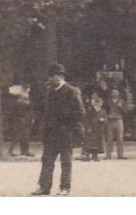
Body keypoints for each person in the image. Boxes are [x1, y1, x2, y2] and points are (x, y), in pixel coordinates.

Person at [31, 63, 84, 196]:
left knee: (66, 162)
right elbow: (45, 112)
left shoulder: (72, 91)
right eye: (50, 77)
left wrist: (67, 124)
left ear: (60, 77)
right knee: (47, 160)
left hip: (66, 133)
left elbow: (80, 112)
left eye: (53, 77)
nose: (50, 80)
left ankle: (65, 187)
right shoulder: (49, 92)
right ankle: (44, 187)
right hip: (50, 133)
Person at [6, 83, 34, 157]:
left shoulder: (23, 97)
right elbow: (25, 108)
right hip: (22, 119)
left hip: (24, 118)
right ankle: (23, 151)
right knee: (22, 135)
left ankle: (23, 151)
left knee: (21, 135)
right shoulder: (22, 98)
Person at [102, 85, 126, 159]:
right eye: (113, 92)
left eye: (116, 92)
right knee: (109, 138)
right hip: (110, 121)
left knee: (120, 138)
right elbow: (104, 111)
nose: (114, 94)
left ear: (118, 94)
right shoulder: (108, 102)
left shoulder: (122, 101)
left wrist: (121, 107)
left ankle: (120, 154)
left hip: (119, 120)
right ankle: (108, 154)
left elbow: (126, 111)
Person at [80, 92, 105, 161]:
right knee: (89, 142)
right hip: (91, 128)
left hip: (98, 129)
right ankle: (87, 156)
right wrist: (87, 127)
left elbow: (105, 119)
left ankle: (95, 156)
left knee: (96, 143)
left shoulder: (103, 111)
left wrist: (103, 120)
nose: (99, 104)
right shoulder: (90, 110)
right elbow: (87, 119)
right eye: (98, 103)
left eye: (100, 103)